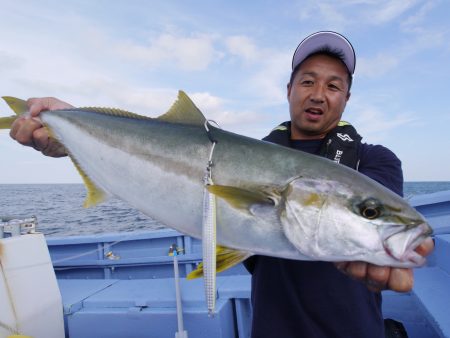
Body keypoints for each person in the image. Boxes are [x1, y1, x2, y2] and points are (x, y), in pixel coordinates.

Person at [10, 31, 434, 338]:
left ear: (346, 98)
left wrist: (376, 230)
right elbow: (158, 154)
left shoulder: (374, 161)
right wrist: (71, 131)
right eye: (308, 80)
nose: (318, 93)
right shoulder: (244, 150)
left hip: (355, 330)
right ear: (289, 90)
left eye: (333, 84)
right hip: (273, 329)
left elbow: (363, 223)